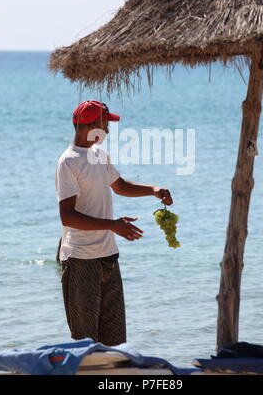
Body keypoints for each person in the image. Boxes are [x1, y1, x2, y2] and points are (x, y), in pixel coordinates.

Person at [55, 100, 173, 346]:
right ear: (92, 125)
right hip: (80, 261)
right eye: (105, 124)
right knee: (85, 344)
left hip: (108, 258)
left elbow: (120, 187)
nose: (108, 131)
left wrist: (153, 189)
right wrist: (112, 225)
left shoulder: (99, 155)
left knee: (115, 344)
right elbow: (68, 216)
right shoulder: (68, 161)